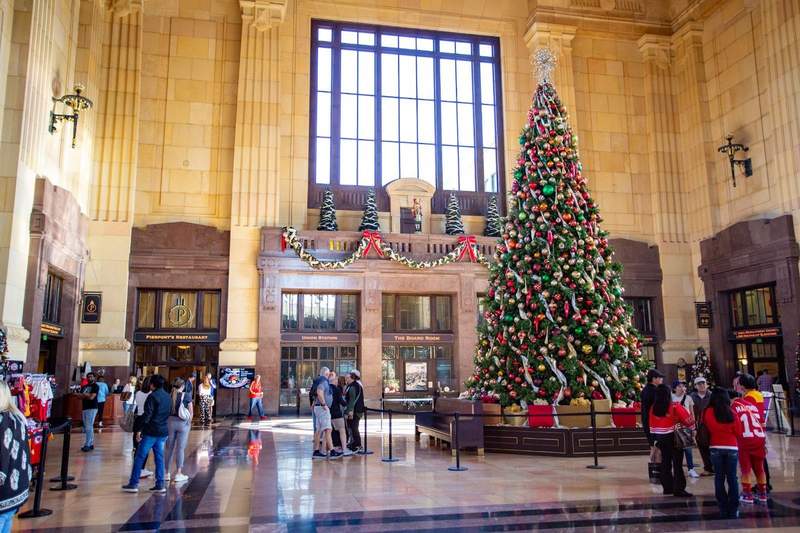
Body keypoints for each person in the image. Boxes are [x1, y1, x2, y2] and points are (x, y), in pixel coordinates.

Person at [123, 374, 171, 494]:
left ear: (152, 384)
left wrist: (139, 430)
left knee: (140, 456)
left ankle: (133, 483)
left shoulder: (152, 396)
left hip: (151, 431)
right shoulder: (168, 397)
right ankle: (160, 484)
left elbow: (147, 415)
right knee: (159, 458)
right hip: (163, 431)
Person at [649, 383, 695, 497]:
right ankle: (679, 489)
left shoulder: (653, 408)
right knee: (677, 464)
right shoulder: (675, 406)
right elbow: (689, 421)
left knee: (665, 462)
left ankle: (667, 487)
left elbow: (652, 426)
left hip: (660, 438)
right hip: (674, 438)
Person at [703, 387, 740, 519]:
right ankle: (734, 508)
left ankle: (723, 507)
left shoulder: (707, 412)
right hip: (732, 447)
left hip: (715, 446)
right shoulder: (731, 412)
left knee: (719, 477)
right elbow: (739, 431)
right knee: (732, 478)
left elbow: (707, 427)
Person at [0, 380, 31, 533]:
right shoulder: (17, 416)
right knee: (6, 521)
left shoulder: (3, 420)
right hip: (16, 488)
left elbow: (2, 455)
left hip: (4, 491)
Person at [733, 373, 768, 504]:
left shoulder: (747, 399)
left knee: (746, 467)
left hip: (747, 437)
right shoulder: (758, 395)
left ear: (742, 385)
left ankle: (747, 493)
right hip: (759, 435)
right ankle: (763, 492)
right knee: (760, 467)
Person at [164, 378, 193, 484]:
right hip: (182, 423)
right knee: (180, 449)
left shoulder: (169, 396)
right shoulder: (187, 396)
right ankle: (178, 473)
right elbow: (191, 412)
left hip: (170, 422)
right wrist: (188, 423)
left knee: (169, 448)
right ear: (183, 386)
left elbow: (165, 410)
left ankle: (166, 473)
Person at [672, 380, 699, 478]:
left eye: (683, 386)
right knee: (676, 450)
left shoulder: (688, 398)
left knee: (688, 449)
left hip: (686, 426)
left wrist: (693, 427)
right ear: (674, 388)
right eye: (679, 386)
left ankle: (691, 469)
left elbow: (692, 413)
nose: (682, 388)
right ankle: (677, 469)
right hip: (675, 427)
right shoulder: (671, 397)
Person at [311, 367, 339, 459]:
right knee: (328, 429)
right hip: (322, 408)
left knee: (318, 430)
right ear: (326, 374)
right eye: (329, 374)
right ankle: (332, 451)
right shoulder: (323, 381)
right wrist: (324, 404)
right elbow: (319, 392)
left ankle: (316, 451)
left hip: (318, 408)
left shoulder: (319, 380)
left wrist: (315, 403)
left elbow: (316, 393)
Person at [641, 369, 663, 483]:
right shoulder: (654, 391)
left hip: (647, 422)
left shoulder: (645, 390)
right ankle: (657, 473)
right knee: (657, 449)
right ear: (653, 379)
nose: (661, 380)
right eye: (659, 378)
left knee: (653, 447)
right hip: (653, 423)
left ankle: (655, 473)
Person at [690, 376, 714, 475]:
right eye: (699, 384)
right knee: (702, 447)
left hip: (711, 425)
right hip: (698, 425)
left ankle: (715, 467)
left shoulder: (712, 395)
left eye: (703, 383)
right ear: (695, 386)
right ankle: (708, 468)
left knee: (713, 447)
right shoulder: (692, 397)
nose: (702, 385)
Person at [329, 374, 351, 456]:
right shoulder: (336, 389)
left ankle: (331, 448)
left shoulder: (327, 388)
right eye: (336, 380)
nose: (337, 382)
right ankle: (344, 449)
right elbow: (341, 401)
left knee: (330, 432)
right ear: (334, 381)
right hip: (336, 413)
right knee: (342, 430)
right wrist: (347, 405)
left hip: (328, 413)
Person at [78, 372, 100, 452]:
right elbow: (79, 396)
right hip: (85, 407)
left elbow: (92, 397)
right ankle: (90, 444)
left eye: (91, 377)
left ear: (94, 378)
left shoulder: (95, 386)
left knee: (88, 426)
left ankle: (87, 444)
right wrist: (86, 395)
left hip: (92, 407)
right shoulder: (84, 386)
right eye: (88, 377)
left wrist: (85, 395)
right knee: (88, 426)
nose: (89, 378)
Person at [345, 370, 365, 452]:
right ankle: (353, 443)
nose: (346, 379)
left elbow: (352, 400)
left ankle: (358, 444)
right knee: (351, 427)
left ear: (352, 378)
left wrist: (350, 411)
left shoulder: (355, 386)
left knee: (354, 427)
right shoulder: (350, 385)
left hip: (356, 411)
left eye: (348, 378)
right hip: (353, 410)